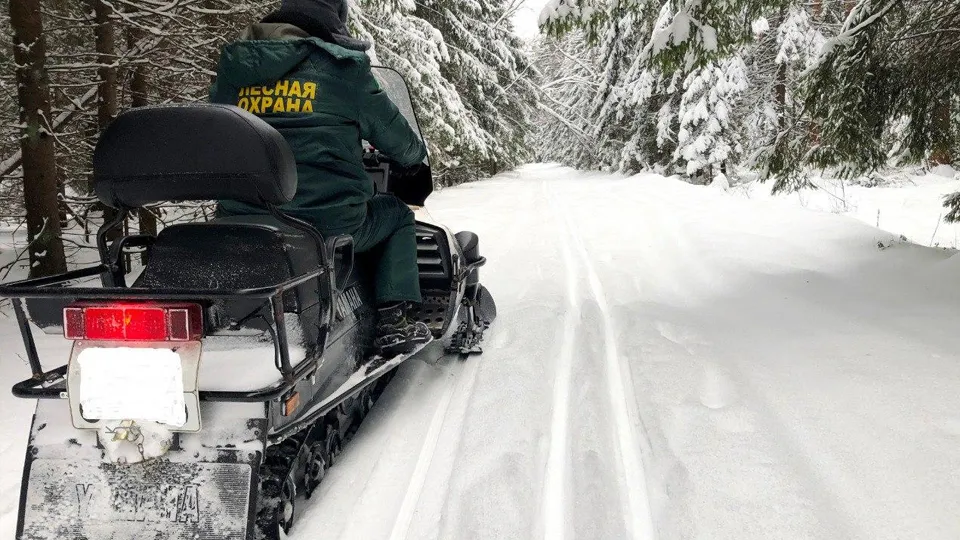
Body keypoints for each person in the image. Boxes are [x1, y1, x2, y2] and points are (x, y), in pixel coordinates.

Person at [208, 0, 431, 356]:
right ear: (333, 23)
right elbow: (400, 142)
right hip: (326, 224)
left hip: (242, 222)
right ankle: (394, 319)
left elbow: (216, 134)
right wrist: (414, 156)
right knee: (396, 214)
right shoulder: (344, 70)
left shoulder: (234, 70)